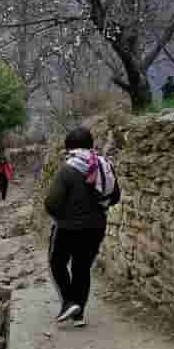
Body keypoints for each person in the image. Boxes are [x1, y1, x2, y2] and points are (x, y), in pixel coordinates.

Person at [44, 126, 121, 327]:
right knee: (82, 267)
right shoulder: (105, 166)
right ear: (90, 144)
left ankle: (69, 302)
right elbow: (115, 197)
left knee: (57, 262)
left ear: (69, 147)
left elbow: (51, 203)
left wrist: (61, 217)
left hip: (68, 228)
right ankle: (78, 315)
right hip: (96, 227)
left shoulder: (68, 169)